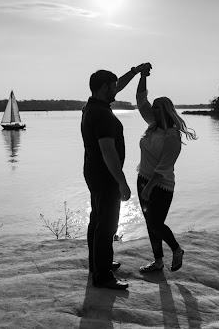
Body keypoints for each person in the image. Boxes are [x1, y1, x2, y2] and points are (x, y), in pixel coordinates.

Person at [81, 63, 151, 290]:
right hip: (105, 176)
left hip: (93, 173)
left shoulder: (91, 106)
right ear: (103, 88)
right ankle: (103, 276)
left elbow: (118, 84)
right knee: (107, 226)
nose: (117, 89)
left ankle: (97, 264)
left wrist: (135, 71)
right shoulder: (102, 115)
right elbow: (108, 152)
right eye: (113, 86)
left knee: (97, 220)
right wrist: (122, 182)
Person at [135, 66, 197, 274]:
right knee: (149, 223)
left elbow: (163, 167)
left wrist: (149, 187)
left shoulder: (171, 136)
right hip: (143, 178)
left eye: (156, 108)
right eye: (153, 109)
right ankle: (158, 261)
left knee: (155, 223)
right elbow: (141, 100)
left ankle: (177, 249)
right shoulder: (153, 125)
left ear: (165, 111)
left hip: (160, 185)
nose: (152, 110)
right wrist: (142, 76)